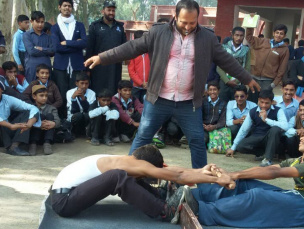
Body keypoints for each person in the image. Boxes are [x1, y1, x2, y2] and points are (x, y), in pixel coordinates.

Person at [84, 0, 260, 168]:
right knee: (143, 137)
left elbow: (226, 60)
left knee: (197, 141)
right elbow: (131, 47)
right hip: (158, 99)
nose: (188, 27)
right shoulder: (158, 33)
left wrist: (247, 78)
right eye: (184, 22)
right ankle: (128, 176)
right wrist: (102, 57)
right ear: (175, 17)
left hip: (188, 102)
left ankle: (203, 184)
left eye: (192, 22)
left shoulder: (207, 38)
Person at [182, 128, 304, 228]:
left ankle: (202, 210)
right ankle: (195, 195)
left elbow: (275, 174)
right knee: (244, 183)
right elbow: (268, 169)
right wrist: (232, 175)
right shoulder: (297, 160)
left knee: (258, 196)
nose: (301, 138)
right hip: (296, 197)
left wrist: (235, 174)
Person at [48, 144, 235, 224]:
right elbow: (177, 176)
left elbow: (174, 171)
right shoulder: (127, 165)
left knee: (124, 177)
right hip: (64, 202)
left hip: (66, 195)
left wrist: (201, 171)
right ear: (145, 164)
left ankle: (160, 195)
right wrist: (216, 179)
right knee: (118, 177)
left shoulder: (129, 160)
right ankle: (165, 211)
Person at [0, 75, 40, 156]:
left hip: (7, 131)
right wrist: (10, 125)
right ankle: (10, 146)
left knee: (27, 112)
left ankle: (15, 146)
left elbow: (32, 107)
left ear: (2, 89)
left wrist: (29, 124)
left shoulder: (7, 98)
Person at [226, 89, 288, 167]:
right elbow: (244, 130)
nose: (263, 105)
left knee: (275, 129)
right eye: (262, 102)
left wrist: (266, 120)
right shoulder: (253, 111)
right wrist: (233, 147)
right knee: (240, 146)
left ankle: (268, 159)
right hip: (257, 137)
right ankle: (264, 153)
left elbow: (285, 126)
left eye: (267, 103)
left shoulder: (278, 110)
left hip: (272, 138)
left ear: (272, 102)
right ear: (258, 100)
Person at [51, 0, 88, 119]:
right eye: (65, 6)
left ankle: (75, 118)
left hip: (76, 65)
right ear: (59, 7)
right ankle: (62, 119)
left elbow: (84, 43)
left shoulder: (79, 25)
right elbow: (56, 47)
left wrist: (67, 43)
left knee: (76, 91)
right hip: (60, 66)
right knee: (61, 93)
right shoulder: (55, 27)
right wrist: (75, 45)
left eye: (69, 6)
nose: (67, 8)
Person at [86, 0, 126, 96]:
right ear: (103, 11)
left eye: (113, 10)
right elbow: (89, 48)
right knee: (98, 91)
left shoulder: (120, 27)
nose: (111, 13)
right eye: (109, 10)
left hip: (115, 67)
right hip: (98, 67)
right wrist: (87, 69)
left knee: (114, 92)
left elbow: (124, 46)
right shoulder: (95, 26)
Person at [245, 19, 289, 103]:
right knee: (251, 101)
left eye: (281, 33)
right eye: (277, 33)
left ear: (284, 35)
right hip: (255, 77)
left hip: (268, 81)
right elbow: (249, 37)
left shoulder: (284, 50)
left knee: (264, 103)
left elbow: (282, 69)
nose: (278, 35)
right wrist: (251, 22)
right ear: (273, 33)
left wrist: (274, 84)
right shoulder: (263, 41)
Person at [217, 26, 250, 101]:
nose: (239, 38)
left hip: (238, 82)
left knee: (237, 104)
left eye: (241, 36)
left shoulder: (246, 50)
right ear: (232, 36)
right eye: (237, 35)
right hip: (224, 81)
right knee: (222, 105)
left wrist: (237, 81)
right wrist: (227, 81)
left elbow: (247, 68)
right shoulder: (224, 48)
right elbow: (219, 66)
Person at [23, 11, 54, 83]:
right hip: (32, 68)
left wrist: (42, 48)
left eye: (42, 22)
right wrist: (46, 51)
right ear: (31, 21)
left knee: (46, 91)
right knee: (32, 89)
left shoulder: (48, 36)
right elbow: (31, 51)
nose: (40, 24)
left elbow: (52, 51)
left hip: (46, 69)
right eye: (37, 22)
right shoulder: (27, 35)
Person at [29, 85, 60, 156]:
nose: (44, 98)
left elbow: (58, 121)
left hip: (48, 135)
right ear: (34, 96)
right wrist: (38, 124)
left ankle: (47, 143)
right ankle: (33, 144)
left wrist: (53, 124)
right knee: (39, 116)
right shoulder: (30, 108)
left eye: (46, 96)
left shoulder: (52, 108)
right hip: (34, 134)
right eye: (41, 95)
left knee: (50, 115)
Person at [66, 72, 96, 136]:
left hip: (86, 115)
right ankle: (75, 132)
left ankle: (85, 131)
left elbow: (89, 109)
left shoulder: (92, 93)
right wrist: (73, 99)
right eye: (82, 83)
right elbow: (73, 110)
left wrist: (83, 99)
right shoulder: (70, 92)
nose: (84, 86)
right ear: (76, 83)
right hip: (74, 116)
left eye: (86, 83)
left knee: (87, 115)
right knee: (78, 116)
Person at [127, 30, 150, 104]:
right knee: (135, 105)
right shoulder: (133, 54)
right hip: (135, 86)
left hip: (148, 86)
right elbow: (131, 72)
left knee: (145, 105)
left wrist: (148, 82)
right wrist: (141, 83)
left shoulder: (151, 54)